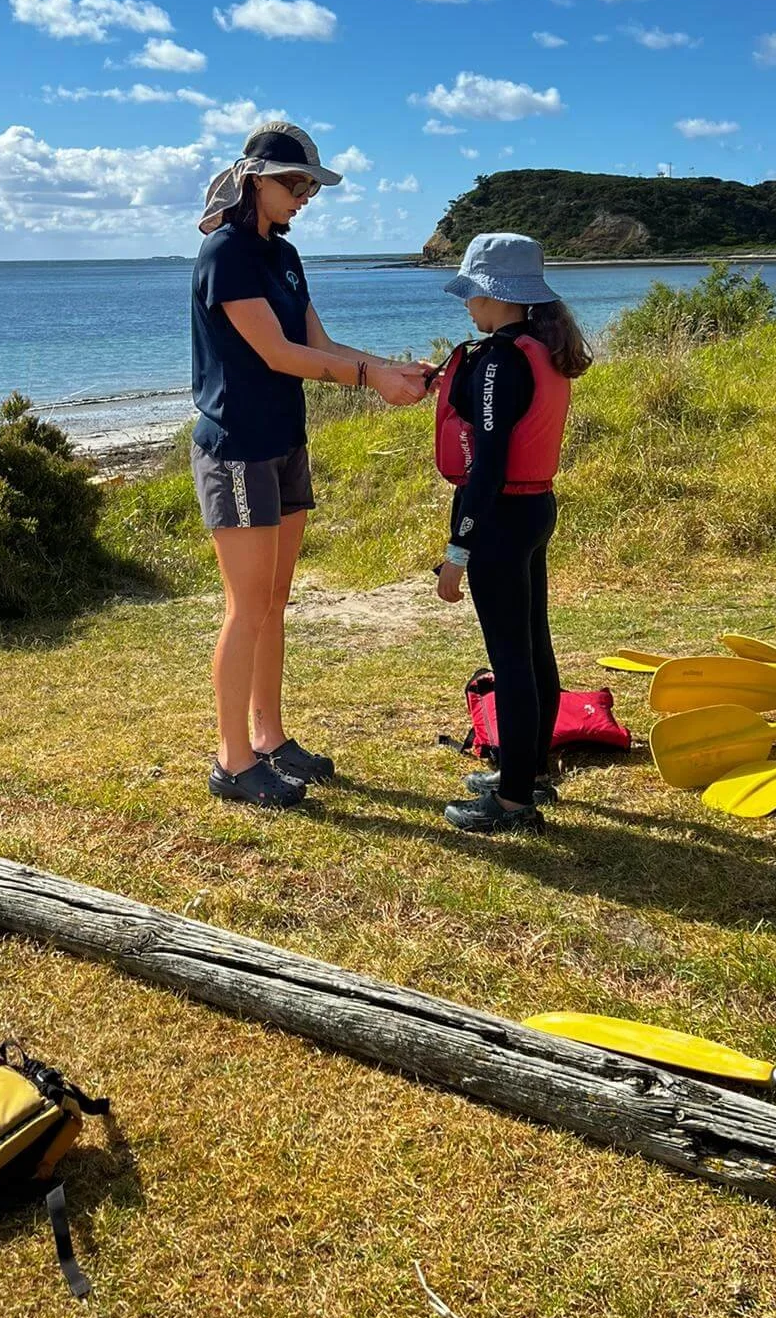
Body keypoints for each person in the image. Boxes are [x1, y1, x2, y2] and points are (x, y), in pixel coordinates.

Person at [191, 122, 430, 810]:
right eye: (294, 185)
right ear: (254, 180)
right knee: (245, 606)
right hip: (236, 447)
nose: (303, 198)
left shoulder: (284, 257)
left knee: (273, 601)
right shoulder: (226, 253)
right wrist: (368, 379)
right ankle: (232, 762)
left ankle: (270, 739)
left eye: (309, 188)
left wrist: (389, 368)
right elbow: (277, 354)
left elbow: (316, 341)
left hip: (285, 442)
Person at [433, 232, 592, 835]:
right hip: (535, 508)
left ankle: (513, 802)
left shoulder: (501, 358)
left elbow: (489, 463)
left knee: (512, 659)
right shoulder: (542, 346)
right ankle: (529, 770)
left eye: (473, 291)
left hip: (500, 520)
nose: (467, 303)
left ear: (498, 296)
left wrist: (457, 549)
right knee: (533, 644)